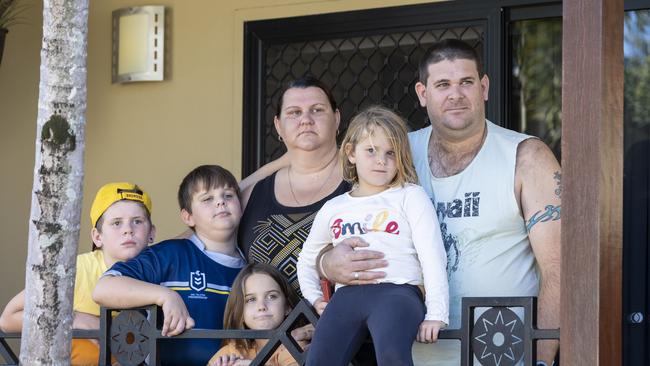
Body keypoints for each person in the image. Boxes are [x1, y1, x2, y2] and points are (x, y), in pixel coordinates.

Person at [320, 39, 561, 365]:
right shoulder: (395, 153)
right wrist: (328, 264)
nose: (455, 94)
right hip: (410, 354)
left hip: (501, 353)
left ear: (484, 87)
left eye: (466, 82)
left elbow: (560, 270)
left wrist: (542, 361)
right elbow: (342, 216)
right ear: (423, 93)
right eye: (442, 84)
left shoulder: (527, 157)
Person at [239, 76, 384, 365]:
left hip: (353, 351)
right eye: (294, 113)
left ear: (337, 119)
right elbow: (202, 242)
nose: (305, 119)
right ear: (278, 126)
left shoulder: (366, 182)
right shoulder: (252, 194)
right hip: (268, 356)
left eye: (317, 110)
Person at [297, 105, 449, 366]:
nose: (382, 160)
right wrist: (315, 299)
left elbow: (432, 256)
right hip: (346, 296)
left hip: (398, 293)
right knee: (318, 360)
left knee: (392, 356)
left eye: (391, 153)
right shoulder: (334, 207)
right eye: (371, 150)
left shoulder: (409, 196)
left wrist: (436, 313)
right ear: (351, 152)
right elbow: (307, 259)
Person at [93, 165, 246, 366]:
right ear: (187, 216)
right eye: (207, 199)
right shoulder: (170, 254)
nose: (220, 202)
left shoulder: (251, 270)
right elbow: (103, 289)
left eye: (228, 195)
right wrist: (165, 295)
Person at [0, 182, 156, 365]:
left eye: (137, 221)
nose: (128, 229)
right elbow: (8, 319)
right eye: (116, 223)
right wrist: (73, 318)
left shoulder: (165, 267)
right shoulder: (75, 271)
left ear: (151, 233)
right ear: (98, 237)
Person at [207, 263, 305, 366]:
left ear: (287, 306)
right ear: (240, 311)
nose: (261, 306)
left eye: (272, 296)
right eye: (251, 299)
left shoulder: (295, 344)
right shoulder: (232, 352)